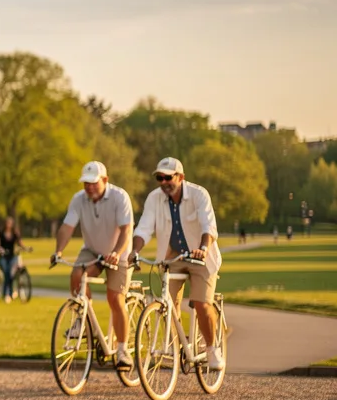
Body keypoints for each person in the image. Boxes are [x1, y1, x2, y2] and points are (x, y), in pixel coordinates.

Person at [131, 157, 225, 372]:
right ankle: (178, 344)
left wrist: (202, 248)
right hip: (172, 256)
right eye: (159, 178)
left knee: (201, 304)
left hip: (201, 256)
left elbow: (208, 226)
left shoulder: (198, 194)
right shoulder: (154, 198)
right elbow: (144, 228)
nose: (163, 182)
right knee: (165, 305)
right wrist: (135, 251)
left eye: (167, 177)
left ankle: (211, 349)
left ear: (180, 177)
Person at [51, 161, 135, 370]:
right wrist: (58, 251)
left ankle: (122, 351)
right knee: (76, 275)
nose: (88, 187)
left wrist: (116, 253)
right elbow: (67, 227)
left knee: (115, 298)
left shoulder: (119, 197)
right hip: (93, 250)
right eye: (85, 183)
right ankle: (83, 321)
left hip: (119, 253)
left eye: (92, 183)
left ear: (105, 180)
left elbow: (126, 230)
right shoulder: (79, 200)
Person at [0, 217, 24, 303]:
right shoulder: (1, 233)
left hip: (12, 256)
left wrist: (25, 248)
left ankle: (8, 293)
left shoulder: (15, 233)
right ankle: (8, 293)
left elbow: (20, 243)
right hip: (3, 256)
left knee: (10, 274)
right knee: (7, 273)